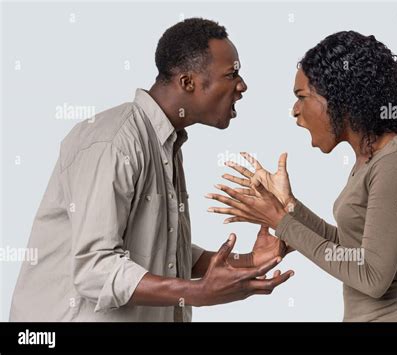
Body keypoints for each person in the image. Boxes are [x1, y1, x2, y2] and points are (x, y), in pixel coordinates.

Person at [9, 18, 293, 322]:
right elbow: (95, 267)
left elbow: (160, 249)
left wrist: (248, 261)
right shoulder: (113, 141)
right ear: (187, 82)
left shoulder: (164, 141)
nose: (242, 85)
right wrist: (196, 291)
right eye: (231, 74)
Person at [207, 31, 397, 322]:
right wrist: (289, 206)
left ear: (338, 98)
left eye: (302, 97)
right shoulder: (370, 158)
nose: (295, 110)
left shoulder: (395, 162)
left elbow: (372, 277)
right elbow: (351, 250)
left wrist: (280, 222)